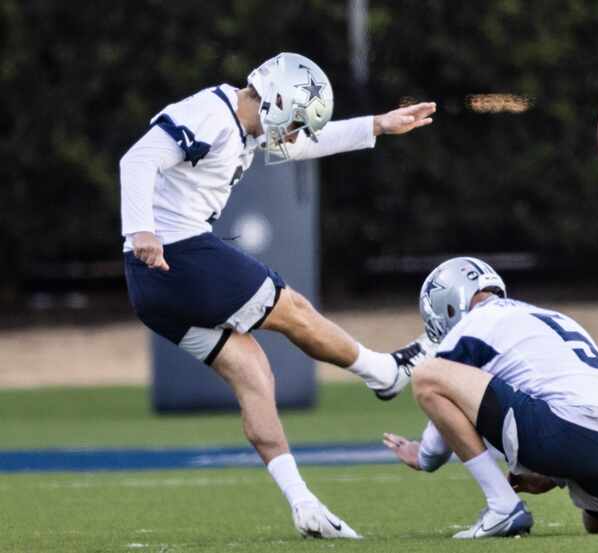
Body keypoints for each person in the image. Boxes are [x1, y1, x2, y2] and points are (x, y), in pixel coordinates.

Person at [120, 52, 435, 539]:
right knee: (294, 311)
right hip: (177, 256)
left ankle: (302, 503)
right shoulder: (210, 114)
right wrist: (142, 228)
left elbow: (306, 147)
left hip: (151, 286)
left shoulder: (245, 127)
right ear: (276, 102)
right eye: (293, 124)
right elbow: (136, 159)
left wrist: (376, 125)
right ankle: (385, 373)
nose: (292, 136)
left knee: (254, 373)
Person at [384, 257, 598, 538]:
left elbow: (438, 397)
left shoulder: (474, 323)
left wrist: (422, 456)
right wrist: (553, 471)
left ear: (448, 305)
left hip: (568, 433)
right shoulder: (549, 317)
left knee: (426, 375)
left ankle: (502, 507)